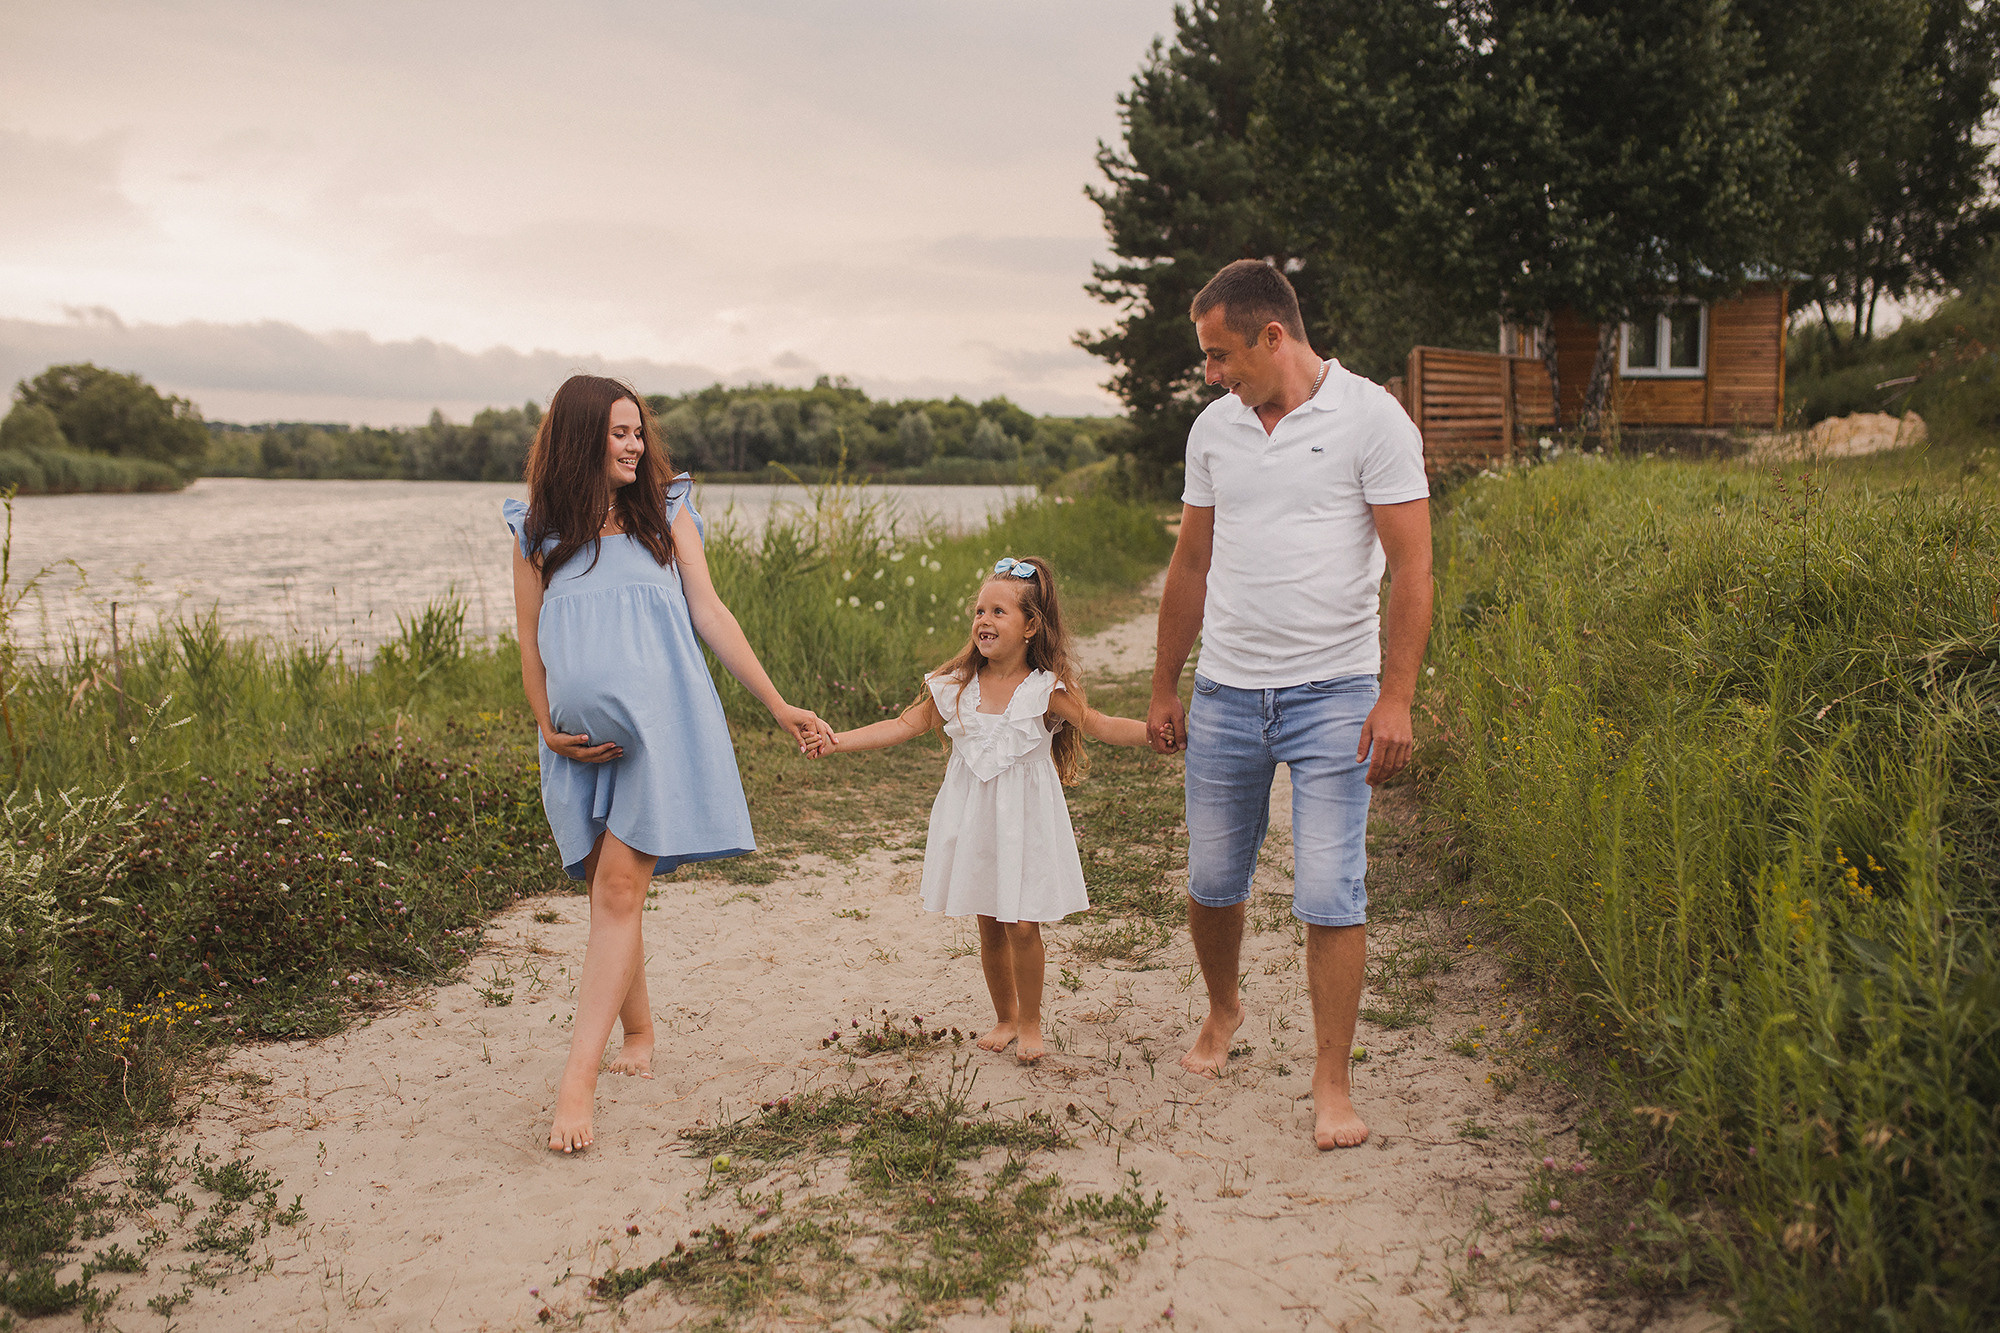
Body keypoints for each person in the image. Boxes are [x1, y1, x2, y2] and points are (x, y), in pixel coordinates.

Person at [1147, 260, 1434, 1150]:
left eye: (1220, 353)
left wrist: (1395, 698)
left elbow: (1415, 568)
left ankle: (1331, 1081)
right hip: (1229, 691)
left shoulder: (1372, 420)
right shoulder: (1213, 431)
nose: (1211, 373)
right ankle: (1224, 1008)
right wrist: (1165, 682)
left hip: (1334, 695)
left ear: (1274, 336)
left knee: (1328, 888)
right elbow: (1191, 564)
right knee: (1211, 881)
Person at [506, 374, 831, 1154]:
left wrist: (778, 703)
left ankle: (574, 1085)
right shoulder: (536, 531)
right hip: (581, 747)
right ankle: (640, 1031)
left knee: (619, 890)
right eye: (619, 432)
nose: (635, 444)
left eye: (638, 432)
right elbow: (529, 638)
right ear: (582, 437)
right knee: (607, 891)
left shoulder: (666, 513)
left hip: (660, 732)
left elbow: (710, 613)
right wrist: (547, 726)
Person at [808, 556, 1149, 1064]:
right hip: (975, 821)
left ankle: (1031, 1022)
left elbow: (1100, 724)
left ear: (1031, 625)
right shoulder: (957, 686)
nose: (983, 620)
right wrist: (838, 742)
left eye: (998, 611)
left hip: (1025, 821)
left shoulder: (1043, 690)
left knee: (1023, 925)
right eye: (978, 611)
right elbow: (902, 725)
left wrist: (1155, 735)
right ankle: (1005, 1017)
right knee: (989, 923)